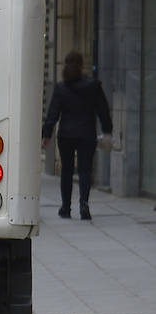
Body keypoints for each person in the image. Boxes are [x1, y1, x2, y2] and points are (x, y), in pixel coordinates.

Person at [42, 50, 113, 221]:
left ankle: (66, 207)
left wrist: (47, 134)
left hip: (66, 135)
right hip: (86, 134)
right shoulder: (93, 86)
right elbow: (103, 111)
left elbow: (53, 113)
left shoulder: (61, 88)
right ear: (82, 66)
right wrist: (107, 131)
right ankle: (84, 204)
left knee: (66, 170)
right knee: (85, 170)